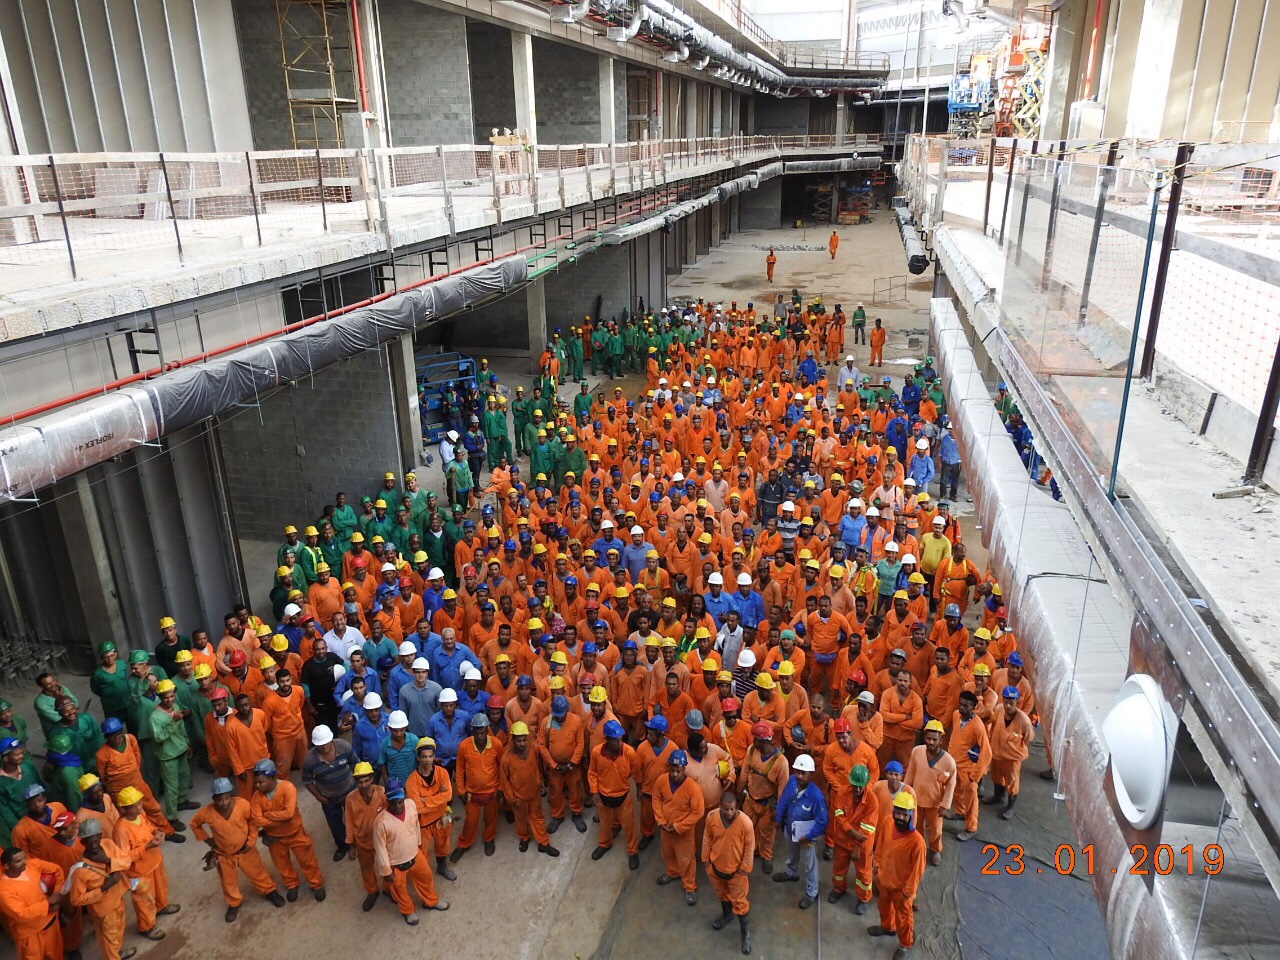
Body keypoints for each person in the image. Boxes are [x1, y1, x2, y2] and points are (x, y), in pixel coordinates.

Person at [189, 777, 284, 922]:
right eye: (219, 799)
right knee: (228, 881)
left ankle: (269, 891)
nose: (223, 803)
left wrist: (251, 841)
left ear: (231, 795)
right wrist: (208, 841)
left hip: (245, 849)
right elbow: (194, 824)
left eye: (226, 798)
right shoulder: (206, 813)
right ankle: (233, 903)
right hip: (224, 854)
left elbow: (253, 821)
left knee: (258, 872)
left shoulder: (242, 805)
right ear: (213, 798)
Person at [373, 780, 449, 924]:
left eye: (400, 802)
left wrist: (419, 844)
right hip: (396, 864)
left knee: (426, 877)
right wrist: (386, 871)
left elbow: (416, 826)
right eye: (393, 803)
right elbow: (380, 848)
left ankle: (431, 902)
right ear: (387, 801)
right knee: (400, 890)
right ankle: (408, 911)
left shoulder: (411, 805)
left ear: (404, 798)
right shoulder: (380, 822)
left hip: (415, 854)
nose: (398, 806)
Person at [249, 759, 325, 902]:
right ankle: (291, 885)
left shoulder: (288, 788)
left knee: (307, 860)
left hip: (294, 833)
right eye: (256, 782)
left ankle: (316, 884)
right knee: (282, 864)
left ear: (272, 777)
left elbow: (289, 813)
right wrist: (280, 817)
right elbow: (257, 820)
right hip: (275, 839)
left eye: (261, 782)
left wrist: (268, 815)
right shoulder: (256, 797)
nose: (257, 785)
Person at [111, 786, 180, 940]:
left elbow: (149, 827)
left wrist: (158, 833)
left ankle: (161, 906)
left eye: (139, 804)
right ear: (123, 809)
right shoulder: (121, 830)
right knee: (144, 899)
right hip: (139, 872)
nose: (138, 808)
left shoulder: (140, 815)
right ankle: (146, 926)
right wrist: (147, 846)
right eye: (133, 806)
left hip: (155, 861)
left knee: (161, 887)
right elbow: (124, 857)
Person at [67, 818, 134, 960]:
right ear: (82, 842)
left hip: (118, 898)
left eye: (96, 840)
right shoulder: (80, 872)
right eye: (89, 841)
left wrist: (108, 860)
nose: (93, 845)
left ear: (100, 836)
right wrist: (103, 888)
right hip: (103, 910)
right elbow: (76, 899)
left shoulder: (108, 845)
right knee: (108, 940)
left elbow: (127, 862)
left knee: (118, 931)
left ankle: (116, 953)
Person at [870, 792, 927, 958]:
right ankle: (887, 927)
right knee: (883, 907)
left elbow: (917, 872)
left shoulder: (917, 842)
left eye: (904, 814)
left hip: (901, 890)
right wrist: (876, 864)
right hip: (884, 880)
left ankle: (905, 944)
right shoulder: (888, 822)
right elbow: (880, 844)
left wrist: (907, 893)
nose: (900, 817)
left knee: (903, 919)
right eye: (898, 812)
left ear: (911, 815)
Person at [772, 752, 827, 909]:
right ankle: (792, 873)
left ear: (810, 774)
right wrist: (778, 818)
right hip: (790, 829)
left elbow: (822, 821)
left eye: (804, 773)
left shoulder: (816, 796)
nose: (800, 776)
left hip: (806, 836)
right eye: (797, 772)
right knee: (792, 854)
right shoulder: (791, 782)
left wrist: (809, 837)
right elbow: (783, 800)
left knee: (810, 864)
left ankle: (811, 892)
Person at [701, 791, 754, 955]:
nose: (729, 813)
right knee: (722, 895)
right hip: (716, 869)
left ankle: (745, 932)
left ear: (736, 807)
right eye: (725, 809)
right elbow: (707, 838)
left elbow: (749, 848)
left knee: (740, 902)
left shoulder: (745, 823)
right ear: (719, 807)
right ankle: (726, 915)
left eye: (732, 809)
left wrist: (743, 869)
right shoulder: (711, 817)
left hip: (736, 873)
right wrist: (706, 861)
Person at [498, 721, 558, 857]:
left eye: (524, 740)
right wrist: (511, 799)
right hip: (518, 798)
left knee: (538, 818)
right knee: (520, 819)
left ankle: (544, 843)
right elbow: (504, 781)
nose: (522, 743)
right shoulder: (506, 759)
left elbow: (539, 764)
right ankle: (524, 837)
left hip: (534, 793)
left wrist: (541, 780)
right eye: (519, 741)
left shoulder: (533, 749)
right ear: (512, 740)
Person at [652, 749, 704, 905]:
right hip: (665, 828)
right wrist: (661, 821)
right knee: (667, 853)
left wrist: (679, 826)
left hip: (683, 832)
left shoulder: (692, 788)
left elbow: (698, 812)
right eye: (672, 770)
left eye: (678, 771)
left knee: (686, 859)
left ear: (684, 769)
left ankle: (689, 887)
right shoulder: (661, 781)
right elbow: (656, 800)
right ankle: (672, 872)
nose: (675, 774)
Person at [737, 722, 788, 874]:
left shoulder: (781, 762)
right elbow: (745, 772)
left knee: (766, 832)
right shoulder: (752, 751)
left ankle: (766, 855)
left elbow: (782, 789)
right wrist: (739, 792)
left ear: (763, 740)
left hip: (768, 804)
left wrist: (778, 812)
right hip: (750, 799)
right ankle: (749, 853)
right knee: (748, 829)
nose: (753, 741)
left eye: (755, 739)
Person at [826, 763, 878, 914]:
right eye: (854, 785)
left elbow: (868, 827)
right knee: (838, 868)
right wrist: (853, 832)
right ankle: (838, 889)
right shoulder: (843, 792)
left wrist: (857, 846)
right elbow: (838, 815)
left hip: (862, 845)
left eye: (860, 786)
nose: (856, 789)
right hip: (842, 840)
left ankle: (863, 899)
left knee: (863, 873)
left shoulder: (872, 800)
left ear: (866, 784)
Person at [588, 719, 639, 868]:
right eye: (616, 740)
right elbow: (592, 773)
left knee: (629, 826)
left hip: (623, 797)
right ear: (607, 740)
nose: (619, 743)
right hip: (603, 797)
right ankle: (604, 844)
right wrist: (594, 791)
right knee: (605, 824)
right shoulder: (597, 752)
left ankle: (632, 851)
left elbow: (635, 771)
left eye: (621, 739)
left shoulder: (629, 752)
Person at [904, 719, 956, 865]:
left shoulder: (949, 762)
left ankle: (935, 850)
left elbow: (951, 784)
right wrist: (906, 792)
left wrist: (945, 805)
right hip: (916, 799)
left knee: (935, 829)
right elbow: (910, 773)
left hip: (935, 803)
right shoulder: (917, 752)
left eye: (935, 739)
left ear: (941, 739)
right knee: (916, 826)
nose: (931, 742)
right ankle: (919, 848)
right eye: (928, 738)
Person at [301, 725, 357, 861]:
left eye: (326, 743)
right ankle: (343, 845)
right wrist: (320, 798)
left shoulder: (344, 747)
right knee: (335, 824)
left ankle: (355, 844)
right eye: (320, 745)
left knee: (354, 820)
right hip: (329, 798)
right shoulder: (309, 760)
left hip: (349, 792)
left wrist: (356, 788)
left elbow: (356, 765)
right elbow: (307, 781)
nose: (324, 747)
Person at [451, 714, 502, 861]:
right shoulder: (464, 746)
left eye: (482, 732)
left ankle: (489, 838)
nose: (480, 736)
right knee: (471, 821)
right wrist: (460, 790)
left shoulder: (496, 744)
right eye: (476, 732)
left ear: (487, 730)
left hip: (492, 791)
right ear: (472, 731)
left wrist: (501, 788)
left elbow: (502, 768)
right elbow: (459, 769)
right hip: (471, 793)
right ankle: (464, 843)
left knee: (491, 818)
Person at [0, 846, 64, 960]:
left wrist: (57, 894)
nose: (24, 862)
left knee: (57, 955)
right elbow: (21, 914)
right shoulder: (3, 889)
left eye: (24, 858)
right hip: (29, 934)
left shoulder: (33, 865)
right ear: (6, 866)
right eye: (18, 861)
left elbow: (57, 870)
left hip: (50, 923)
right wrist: (48, 903)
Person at [986, 685, 1034, 820]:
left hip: (1012, 758)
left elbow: (1029, 737)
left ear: (1017, 702)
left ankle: (1010, 806)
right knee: (996, 776)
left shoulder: (1024, 720)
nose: (1008, 706)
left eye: (1011, 703)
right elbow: (993, 724)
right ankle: (997, 796)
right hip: (997, 752)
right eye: (1006, 702)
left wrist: (1015, 746)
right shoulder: (998, 709)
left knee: (1012, 782)